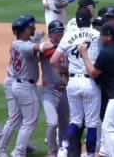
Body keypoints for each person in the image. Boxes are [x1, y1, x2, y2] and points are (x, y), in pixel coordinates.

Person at [78, 23, 114, 157]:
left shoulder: (107, 53)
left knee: (109, 128)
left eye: (102, 35)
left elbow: (93, 72)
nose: (100, 37)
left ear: (109, 37)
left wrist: (84, 54)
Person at [50, 7, 101, 157]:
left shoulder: (68, 36)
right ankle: (90, 155)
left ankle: (63, 147)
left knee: (76, 120)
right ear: (90, 20)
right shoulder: (97, 35)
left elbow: (53, 61)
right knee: (91, 123)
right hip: (90, 82)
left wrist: (63, 71)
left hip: (72, 82)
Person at [10, 14, 54, 156]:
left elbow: (32, 46)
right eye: (30, 27)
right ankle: (18, 153)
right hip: (26, 87)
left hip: (17, 86)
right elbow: (43, 47)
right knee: (29, 123)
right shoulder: (25, 47)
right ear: (24, 30)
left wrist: (35, 40)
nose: (33, 28)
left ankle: (20, 150)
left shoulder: (15, 43)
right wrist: (61, 42)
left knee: (22, 120)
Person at [40, 20, 70, 157]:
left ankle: (63, 150)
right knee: (52, 123)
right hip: (49, 90)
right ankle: (52, 152)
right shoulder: (46, 47)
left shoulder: (67, 45)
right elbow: (42, 54)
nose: (60, 33)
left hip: (64, 89)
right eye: (57, 31)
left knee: (64, 122)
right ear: (51, 33)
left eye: (61, 31)